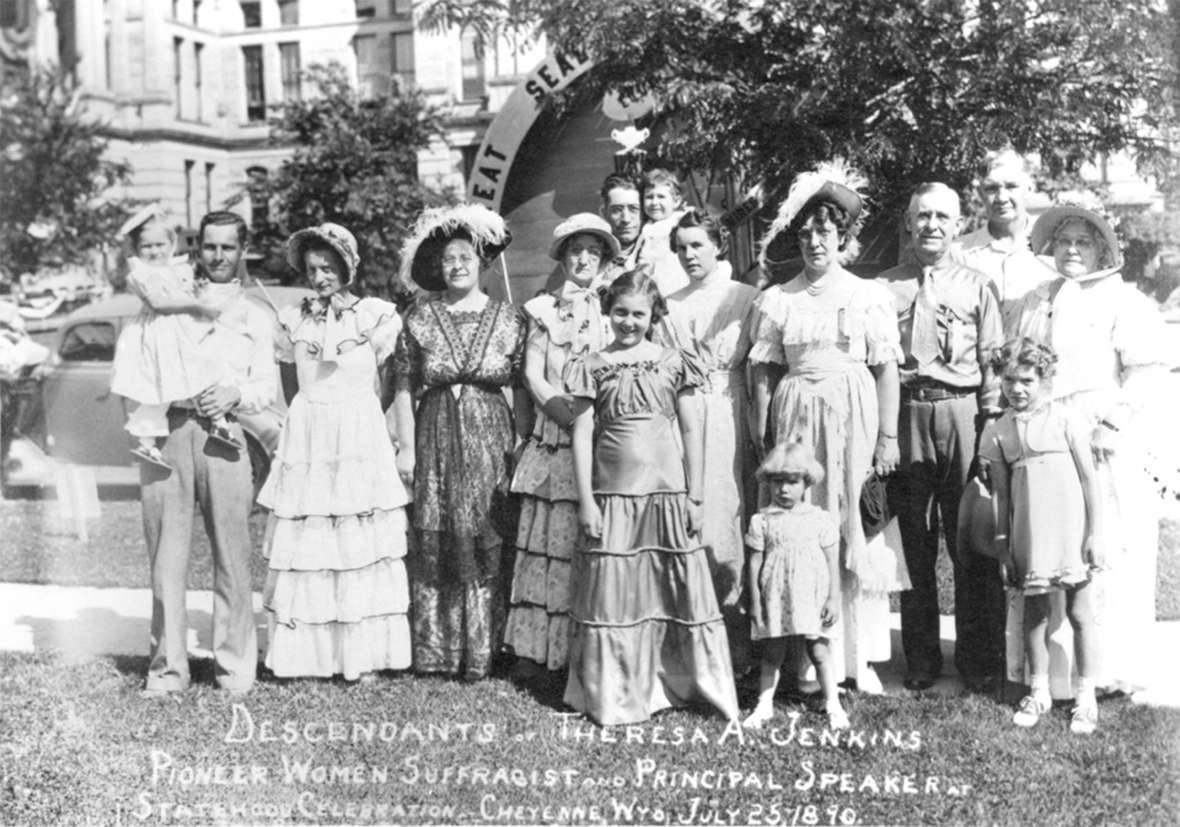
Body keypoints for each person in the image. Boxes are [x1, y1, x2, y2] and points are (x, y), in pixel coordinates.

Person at [749, 162, 905, 695]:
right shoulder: (778, 299)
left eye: (827, 231)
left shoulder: (867, 295)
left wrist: (887, 437)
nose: (816, 241)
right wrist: (766, 435)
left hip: (853, 415)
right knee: (801, 529)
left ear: (844, 238)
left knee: (852, 522)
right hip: (796, 421)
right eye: (808, 231)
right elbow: (764, 373)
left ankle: (859, 659)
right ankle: (806, 662)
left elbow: (886, 369)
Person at [563, 269, 738, 725]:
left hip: (666, 494)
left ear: (653, 314)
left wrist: (694, 496)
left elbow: (690, 428)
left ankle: (676, 681)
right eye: (620, 312)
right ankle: (616, 691)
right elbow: (581, 437)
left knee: (670, 588)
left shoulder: (672, 361)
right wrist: (587, 501)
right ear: (608, 311)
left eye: (638, 314)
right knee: (615, 594)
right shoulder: (591, 364)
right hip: (613, 495)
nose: (628, 322)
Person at [1010, 204, 1169, 700]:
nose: (1072, 250)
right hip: (1048, 435)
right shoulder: (1038, 299)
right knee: (1049, 545)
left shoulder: (1125, 301)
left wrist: (1113, 422)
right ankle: (1050, 674)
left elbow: (1147, 370)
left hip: (1102, 438)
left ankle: (1104, 671)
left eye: (1083, 241)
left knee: (1104, 548)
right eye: (1063, 242)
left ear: (1103, 248)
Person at [257, 223, 411, 681]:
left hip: (358, 433)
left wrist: (366, 422)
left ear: (348, 267)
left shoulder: (375, 316)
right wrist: (310, 418)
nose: (321, 276)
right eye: (313, 268)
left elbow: (388, 382)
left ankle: (362, 655)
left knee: (357, 541)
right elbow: (290, 383)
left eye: (329, 267)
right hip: (311, 436)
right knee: (314, 543)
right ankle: (310, 656)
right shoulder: (291, 320)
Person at [139, 210, 276, 697]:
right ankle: (166, 670)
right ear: (197, 248)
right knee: (165, 559)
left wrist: (235, 393)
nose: (218, 256)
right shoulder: (169, 302)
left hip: (226, 440)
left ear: (242, 251)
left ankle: (235, 668)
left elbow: (266, 388)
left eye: (228, 247)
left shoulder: (257, 317)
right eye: (210, 247)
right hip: (170, 434)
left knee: (232, 557)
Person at [877, 182, 1005, 693]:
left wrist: (990, 428)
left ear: (957, 225)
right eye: (922, 216)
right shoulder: (885, 286)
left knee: (969, 541)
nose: (931, 225)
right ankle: (922, 658)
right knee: (914, 543)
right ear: (908, 224)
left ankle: (978, 661)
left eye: (942, 217)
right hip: (908, 412)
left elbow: (993, 361)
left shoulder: (978, 286)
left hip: (963, 415)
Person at [392, 203, 529, 681]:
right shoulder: (419, 319)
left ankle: (489, 649)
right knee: (440, 528)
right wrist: (406, 449)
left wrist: (522, 445)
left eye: (465, 257)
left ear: (483, 263)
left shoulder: (511, 319)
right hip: (434, 431)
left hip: (492, 432)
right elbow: (405, 386)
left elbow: (521, 388)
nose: (456, 265)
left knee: (489, 531)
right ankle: (440, 651)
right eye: (448, 258)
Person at [504, 213, 618, 677]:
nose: (583, 258)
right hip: (555, 433)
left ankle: (591, 656)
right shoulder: (541, 310)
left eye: (593, 250)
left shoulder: (618, 307)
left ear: (605, 257)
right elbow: (532, 373)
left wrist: (594, 421)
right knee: (550, 545)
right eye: (575, 250)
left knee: (593, 544)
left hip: (606, 437)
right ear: (563, 258)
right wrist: (564, 414)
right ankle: (542, 654)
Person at [980, 338, 1106, 734]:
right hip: (1028, 533)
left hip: (1070, 530)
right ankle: (1039, 690)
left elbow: (1089, 481)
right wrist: (1004, 544)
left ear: (1044, 378)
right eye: (1009, 380)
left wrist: (1094, 534)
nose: (1017, 388)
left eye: (1027, 380)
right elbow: (1000, 492)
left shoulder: (1067, 419)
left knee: (1079, 613)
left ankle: (1086, 697)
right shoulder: (998, 432)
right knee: (1034, 614)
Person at [656, 208, 760, 670]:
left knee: (731, 518)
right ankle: (692, 639)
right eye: (681, 247)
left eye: (697, 244)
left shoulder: (747, 297)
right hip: (684, 417)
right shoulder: (669, 304)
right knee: (691, 517)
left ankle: (737, 642)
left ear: (718, 244)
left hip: (733, 411)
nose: (688, 254)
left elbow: (760, 368)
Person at [110, 205, 237, 469]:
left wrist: (198, 295)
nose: (154, 251)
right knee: (161, 388)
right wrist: (196, 307)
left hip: (185, 331)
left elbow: (187, 290)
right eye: (147, 246)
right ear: (136, 249)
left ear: (171, 243)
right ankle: (146, 442)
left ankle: (219, 423)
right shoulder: (140, 273)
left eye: (160, 244)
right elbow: (158, 302)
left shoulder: (177, 268)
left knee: (209, 368)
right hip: (161, 335)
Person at [743, 441, 847, 731]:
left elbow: (831, 561)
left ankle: (833, 703)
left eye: (792, 482)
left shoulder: (820, 519)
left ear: (806, 482)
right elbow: (753, 565)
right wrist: (755, 603)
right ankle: (764, 705)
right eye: (777, 482)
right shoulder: (762, 520)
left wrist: (833, 598)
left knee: (818, 650)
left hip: (811, 595)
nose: (784, 489)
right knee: (773, 651)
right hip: (775, 595)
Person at [955, 149, 1054, 334]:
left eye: (1011, 186)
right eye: (992, 188)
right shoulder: (959, 254)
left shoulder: (1054, 247)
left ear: (1029, 187)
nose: (1001, 197)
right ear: (980, 193)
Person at [636, 168, 690, 296]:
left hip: (674, 279)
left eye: (661, 197)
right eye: (649, 197)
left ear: (676, 201)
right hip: (649, 279)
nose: (654, 202)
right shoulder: (646, 226)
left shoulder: (678, 222)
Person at [597, 173, 644, 284]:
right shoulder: (593, 258)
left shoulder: (656, 251)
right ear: (603, 213)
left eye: (634, 209)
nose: (626, 219)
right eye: (617, 210)